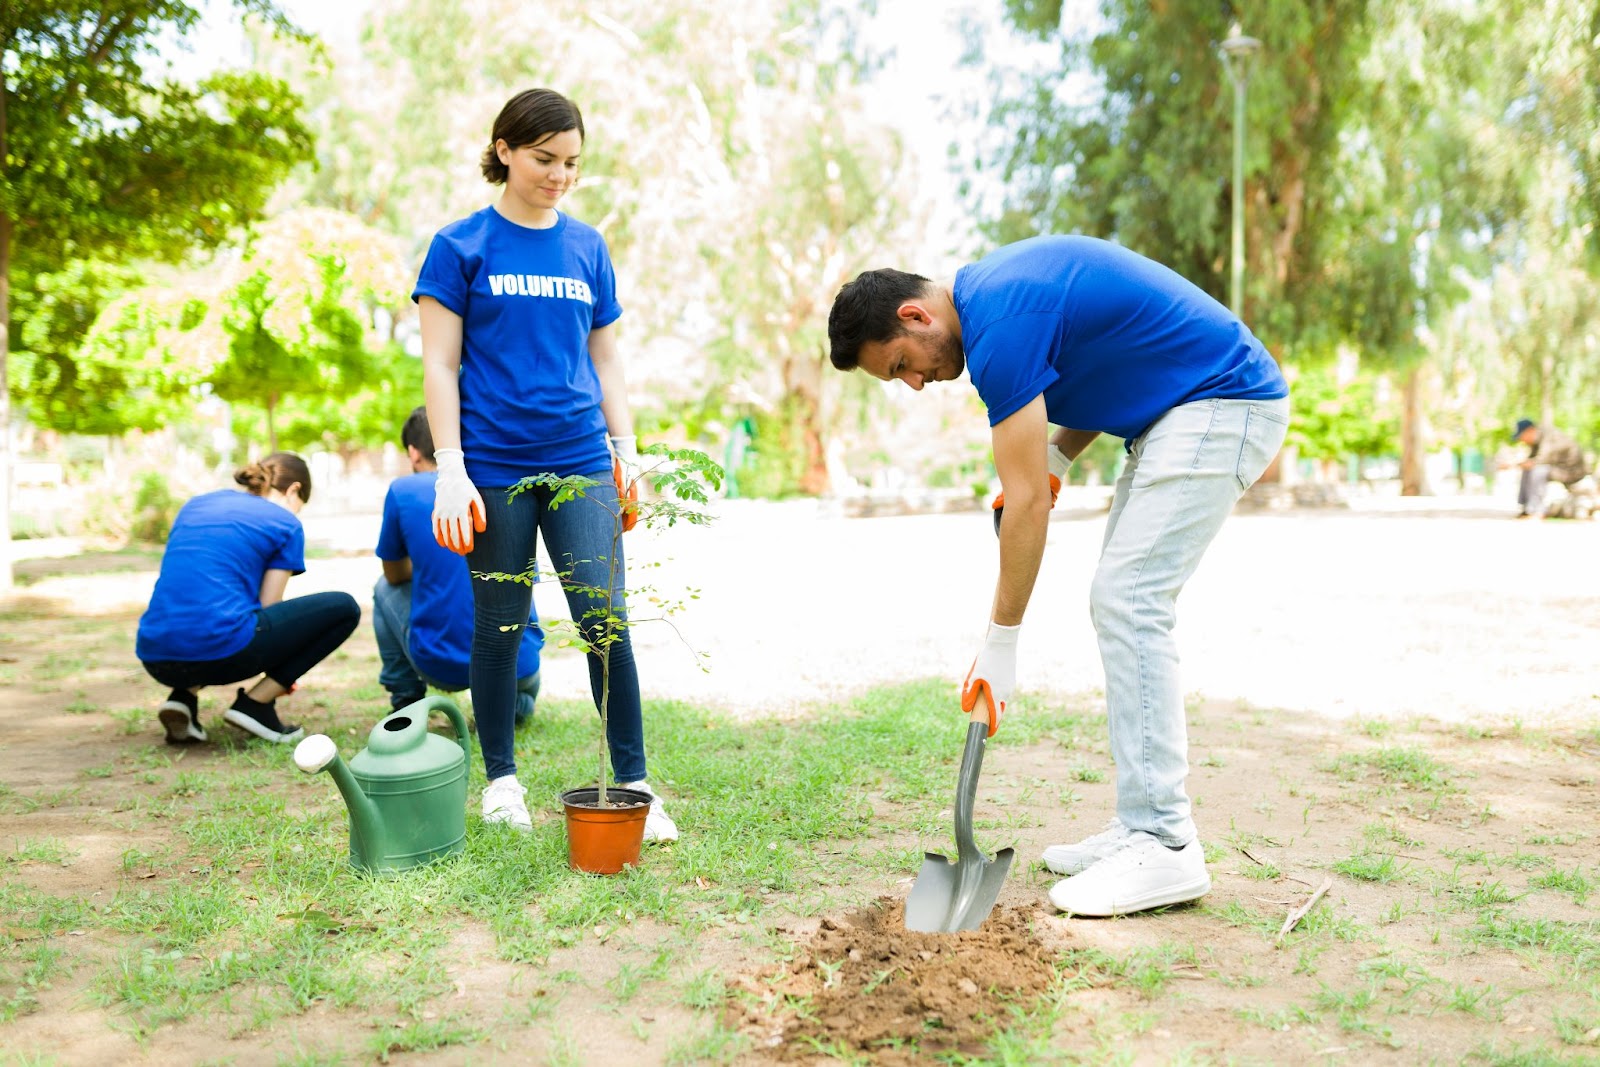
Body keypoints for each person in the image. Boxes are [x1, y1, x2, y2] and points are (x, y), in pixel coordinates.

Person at [827, 235, 1289, 917]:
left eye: (902, 365)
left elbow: (1026, 506)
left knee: (1130, 597)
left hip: (1221, 400)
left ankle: (1165, 841)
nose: (917, 384)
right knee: (1122, 598)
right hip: (1183, 410)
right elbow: (1107, 364)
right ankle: (1140, 824)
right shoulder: (997, 297)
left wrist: (1001, 642)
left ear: (915, 315)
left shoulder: (999, 328)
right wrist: (1057, 459)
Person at [412, 87, 676, 841]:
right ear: (503, 151)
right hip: (492, 464)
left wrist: (627, 451)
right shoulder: (459, 246)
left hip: (581, 459)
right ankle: (501, 781)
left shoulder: (587, 246)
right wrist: (451, 467)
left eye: (572, 163)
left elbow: (606, 357)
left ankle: (634, 781)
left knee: (605, 619)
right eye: (543, 159)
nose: (559, 175)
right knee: (499, 622)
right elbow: (439, 365)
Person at [136, 452, 361, 745]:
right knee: (344, 608)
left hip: (155, 653)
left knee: (207, 610)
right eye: (299, 506)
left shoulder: (197, 505)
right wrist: (285, 673)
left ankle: (183, 697)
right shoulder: (285, 522)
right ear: (293, 490)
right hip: (222, 653)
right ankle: (256, 704)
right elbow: (270, 607)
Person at [373, 406, 544, 721]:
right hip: (520, 665)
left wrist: (431, 564)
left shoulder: (404, 490)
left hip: (443, 665)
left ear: (413, 452)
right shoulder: (509, 480)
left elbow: (394, 575)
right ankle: (512, 704)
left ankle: (406, 699)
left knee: (382, 588)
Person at [1509, 419, 1589, 519]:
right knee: (1529, 469)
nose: (1522, 440)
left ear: (1530, 430)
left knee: (1538, 471)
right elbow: (1531, 461)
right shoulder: (1537, 442)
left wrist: (1513, 464)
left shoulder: (1549, 437)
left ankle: (1537, 512)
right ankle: (1525, 508)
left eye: (1521, 436)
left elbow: (1541, 460)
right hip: (1558, 470)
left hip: (1572, 472)